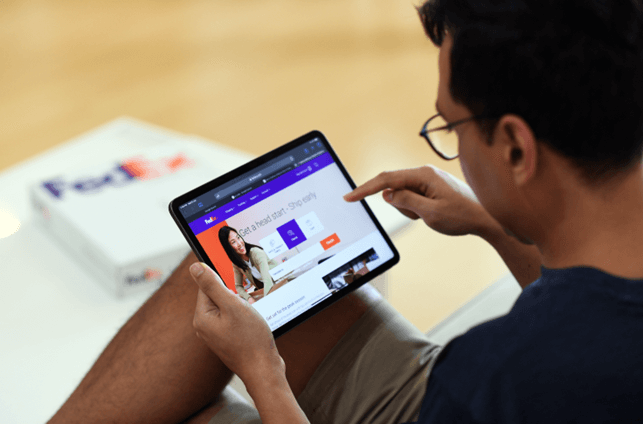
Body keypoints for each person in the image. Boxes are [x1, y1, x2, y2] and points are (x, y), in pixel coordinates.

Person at [48, 0, 643, 422]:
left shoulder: (498, 376)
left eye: (452, 124)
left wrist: (263, 375)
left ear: (515, 146)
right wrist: (490, 219)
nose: (453, 145)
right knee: (220, 287)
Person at [218, 226, 277, 300]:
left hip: (280, 283)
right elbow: (238, 286)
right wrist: (248, 298)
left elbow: (267, 280)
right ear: (228, 247)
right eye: (233, 242)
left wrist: (265, 301)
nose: (239, 243)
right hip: (269, 289)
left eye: (238, 237)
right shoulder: (237, 264)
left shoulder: (256, 252)